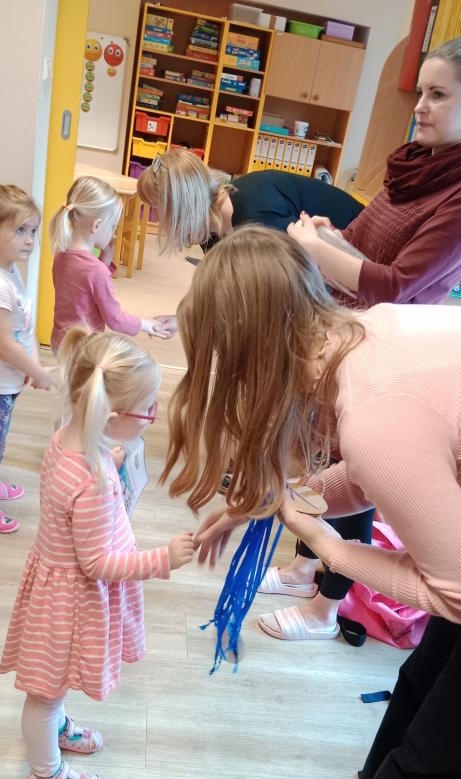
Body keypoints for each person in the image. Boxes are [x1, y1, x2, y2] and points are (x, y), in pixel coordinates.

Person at [160, 224, 461, 779]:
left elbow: (454, 593)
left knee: (444, 748)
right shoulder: (365, 332)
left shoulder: (374, 409)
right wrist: (270, 503)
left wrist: (331, 549)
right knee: (421, 686)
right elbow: (382, 464)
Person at [260, 36, 461, 642]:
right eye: (420, 92)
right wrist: (331, 238)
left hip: (382, 355)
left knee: (359, 471)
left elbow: (396, 283)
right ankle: (309, 572)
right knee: (332, 468)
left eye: (438, 95)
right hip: (353, 338)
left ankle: (326, 608)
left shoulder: (456, 194)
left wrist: (316, 250)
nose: (419, 106)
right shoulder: (415, 166)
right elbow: (365, 244)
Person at [0, 327, 194, 779]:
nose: (152, 416)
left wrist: (108, 456)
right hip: (67, 602)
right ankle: (45, 775)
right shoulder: (91, 480)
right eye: (147, 409)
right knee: (44, 693)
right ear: (110, 415)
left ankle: (56, 725)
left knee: (54, 682)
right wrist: (163, 559)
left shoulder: (67, 442)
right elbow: (98, 562)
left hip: (58, 589)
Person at [136, 149, 362, 336]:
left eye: (157, 209)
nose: (156, 218)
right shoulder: (212, 230)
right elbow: (226, 286)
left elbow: (301, 286)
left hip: (357, 255)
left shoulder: (256, 215)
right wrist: (183, 319)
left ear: (181, 207)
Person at [49, 176, 176, 352]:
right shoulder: (96, 271)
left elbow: (83, 294)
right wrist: (146, 324)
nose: (113, 233)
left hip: (60, 343)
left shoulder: (60, 254)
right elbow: (115, 319)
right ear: (97, 226)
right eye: (113, 227)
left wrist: (106, 258)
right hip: (85, 350)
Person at [0, 184, 55, 534]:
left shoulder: (11, 272)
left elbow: (25, 327)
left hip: (8, 383)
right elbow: (4, 345)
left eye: (33, 231)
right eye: (20, 230)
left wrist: (33, 365)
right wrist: (38, 371)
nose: (30, 240)